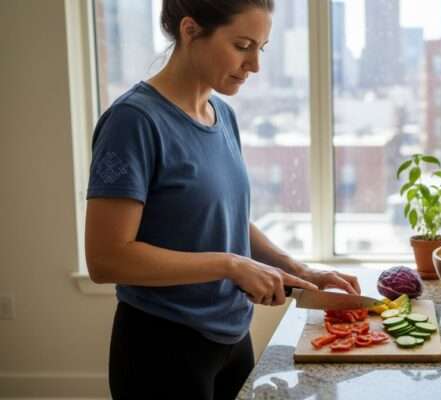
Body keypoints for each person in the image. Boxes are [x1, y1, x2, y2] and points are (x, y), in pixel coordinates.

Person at [84, 1, 360, 398]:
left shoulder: (222, 115)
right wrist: (231, 266)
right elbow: (107, 258)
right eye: (242, 45)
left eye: (260, 48)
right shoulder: (133, 122)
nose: (254, 65)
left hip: (232, 339)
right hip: (161, 348)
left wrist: (300, 271)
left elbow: (224, 219)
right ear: (191, 30)